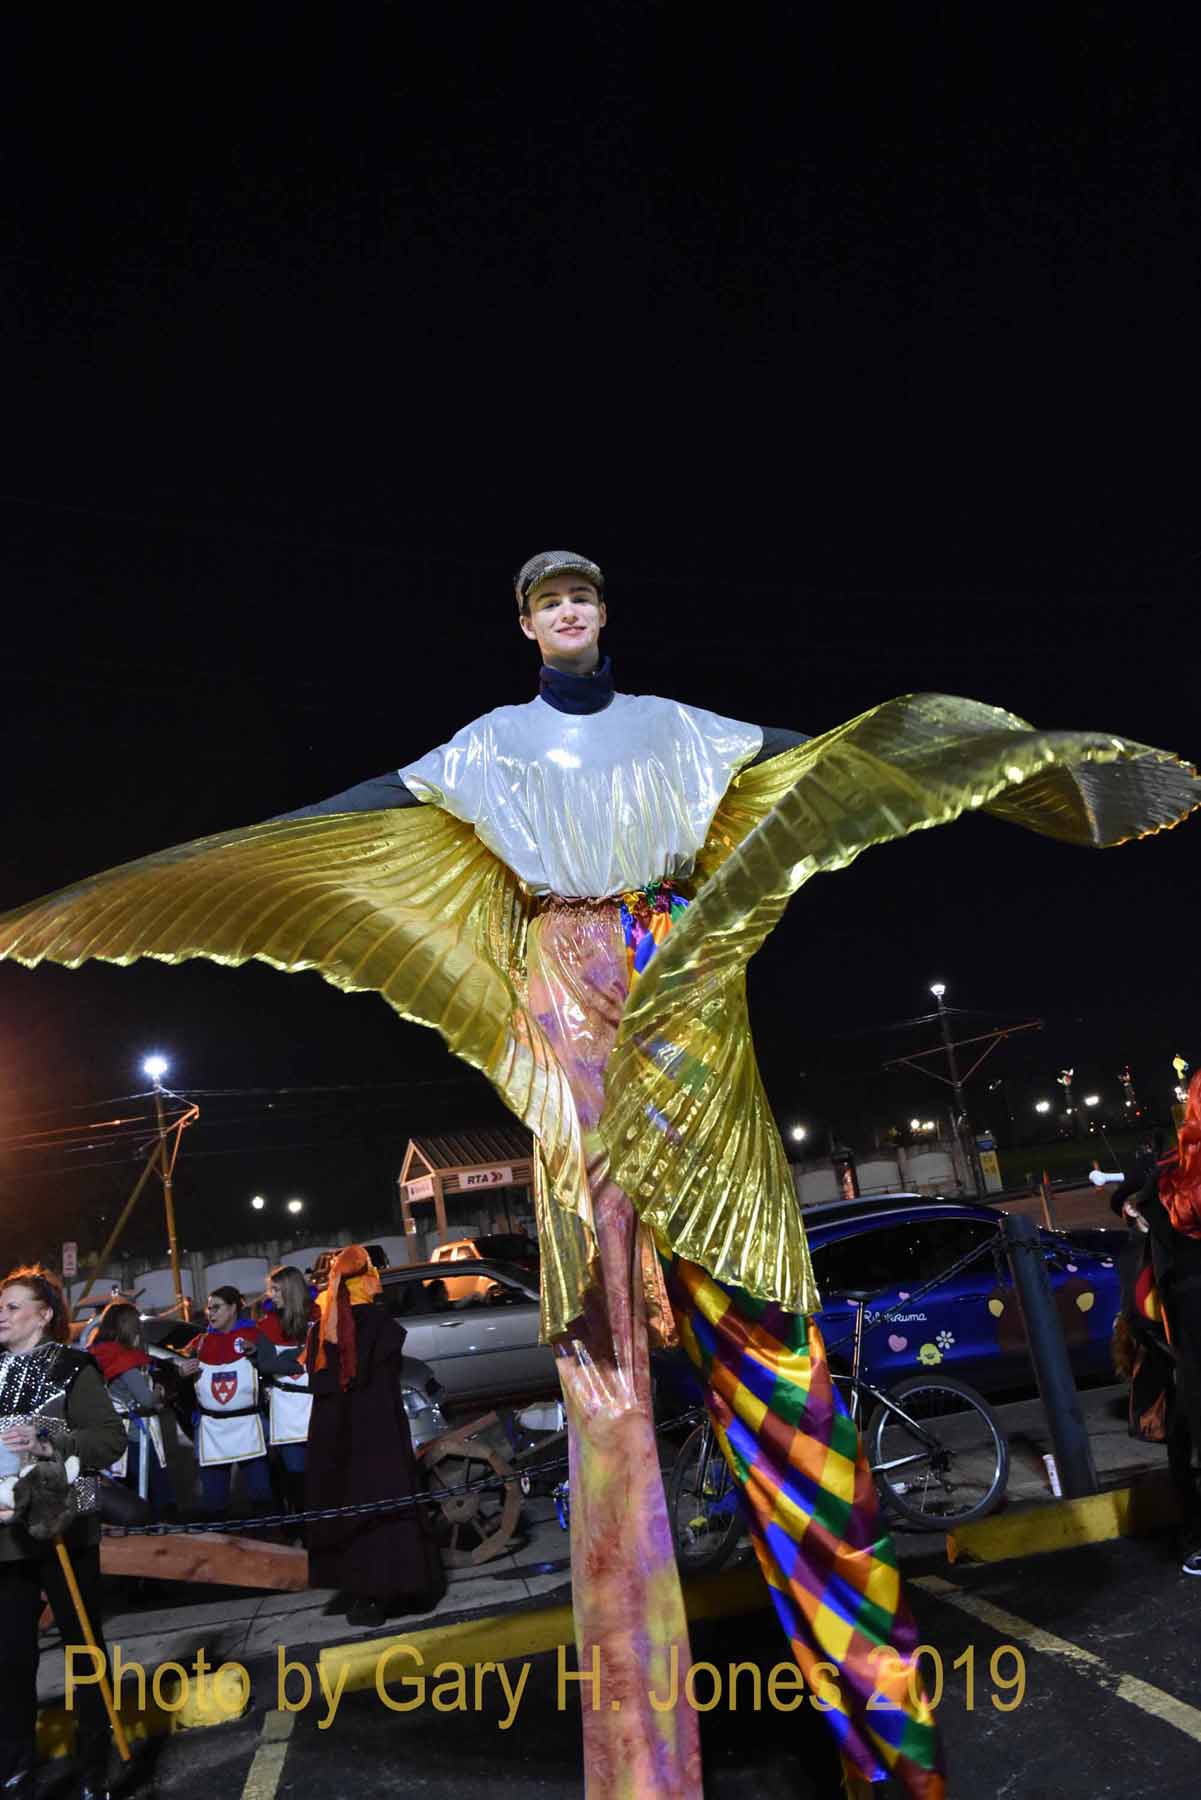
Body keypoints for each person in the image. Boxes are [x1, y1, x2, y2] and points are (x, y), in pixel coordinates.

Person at [1, 553, 1198, 1798]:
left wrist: (1000, 764)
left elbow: (819, 759)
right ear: (523, 623)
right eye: (545, 600)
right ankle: (644, 1762)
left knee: (771, 1353)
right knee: (602, 1361)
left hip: (684, 997)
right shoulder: (488, 747)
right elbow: (344, 820)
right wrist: (176, 877)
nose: (566, 612)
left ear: (601, 611)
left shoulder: (681, 730)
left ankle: (881, 1744)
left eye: (581, 595)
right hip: (565, 1003)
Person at [0, 1265, 126, 1800]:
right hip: (7, 1536)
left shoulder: (74, 1366)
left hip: (67, 1523)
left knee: (83, 1648)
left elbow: (109, 1441)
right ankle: (13, 1761)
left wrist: (48, 1439)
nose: (0, 1315)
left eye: (11, 1306)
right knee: (9, 1656)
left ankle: (97, 1760)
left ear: (43, 1314)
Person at [301, 1244, 445, 1628]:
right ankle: (396, 1587)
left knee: (350, 1505)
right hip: (377, 1434)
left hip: (339, 1439)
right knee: (386, 1504)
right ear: (364, 1280)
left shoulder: (324, 1323)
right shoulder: (376, 1325)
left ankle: (363, 1592)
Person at [1120, 1072, 1201, 1572]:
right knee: (1190, 1422)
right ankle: (1194, 1536)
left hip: (1185, 1319)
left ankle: (1194, 1536)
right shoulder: (1170, 1179)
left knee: (1189, 1422)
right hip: (1186, 1324)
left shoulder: (1169, 1181)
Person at [176, 1288, 271, 1517]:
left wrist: (259, 1355)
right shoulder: (199, 1344)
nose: (210, 1313)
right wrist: (181, 1374)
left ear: (233, 1308)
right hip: (212, 1430)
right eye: (209, 1308)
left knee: (261, 1496)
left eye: (216, 1307)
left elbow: (273, 1370)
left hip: (249, 1427)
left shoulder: (255, 1336)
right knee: (214, 1500)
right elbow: (181, 1389)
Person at [89, 1299, 175, 1516]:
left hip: (108, 1432)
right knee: (153, 1483)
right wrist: (160, 1393)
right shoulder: (124, 1360)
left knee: (119, 1486)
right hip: (135, 1435)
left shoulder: (97, 1355)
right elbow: (146, 1400)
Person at [252, 1265, 315, 1520]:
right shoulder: (266, 1325)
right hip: (286, 1408)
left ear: (290, 1290)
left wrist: (291, 1358)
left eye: (275, 1289)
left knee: (321, 1470)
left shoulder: (318, 1316)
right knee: (295, 1474)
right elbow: (267, 1364)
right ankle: (301, 1526)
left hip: (316, 1403)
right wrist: (300, 1360)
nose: (270, 1294)